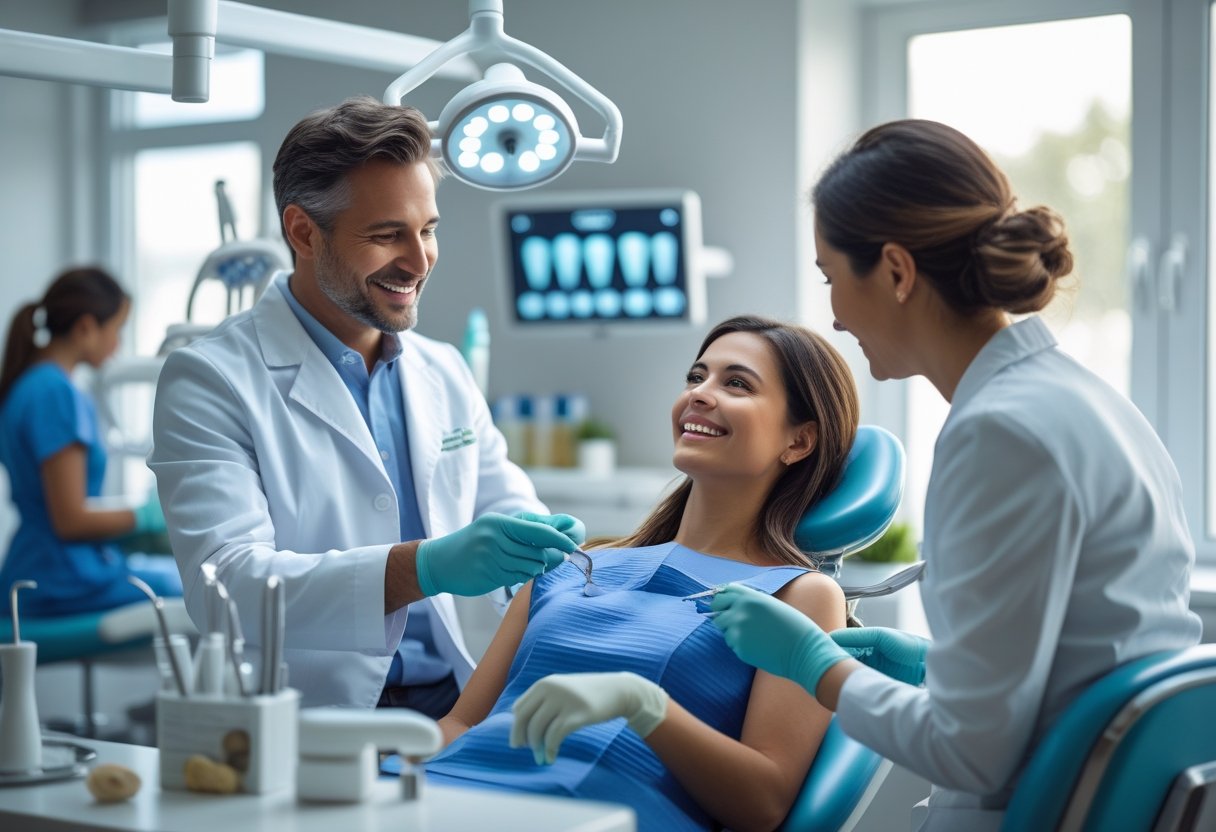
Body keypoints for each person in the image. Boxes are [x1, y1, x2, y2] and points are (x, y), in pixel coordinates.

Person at [710, 120, 1204, 832]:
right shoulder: (1090, 402)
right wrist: (930, 664)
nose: (834, 317)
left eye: (831, 278)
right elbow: (1092, 652)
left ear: (896, 271)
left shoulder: (998, 434)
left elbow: (972, 754)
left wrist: (810, 662)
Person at [148, 96, 582, 713]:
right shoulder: (210, 379)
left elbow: (498, 499)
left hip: (464, 694)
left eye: (428, 230)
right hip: (316, 712)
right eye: (386, 235)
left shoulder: (442, 369)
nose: (419, 261)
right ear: (303, 232)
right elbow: (227, 588)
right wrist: (421, 568)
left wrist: (533, 537)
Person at [420, 315, 860, 832]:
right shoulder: (570, 566)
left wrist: (647, 708)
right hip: (438, 802)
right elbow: (460, 725)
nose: (699, 394)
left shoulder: (798, 595)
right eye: (696, 377)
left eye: (737, 384)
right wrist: (369, 760)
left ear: (799, 441)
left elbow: (763, 804)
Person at [0, 267, 179, 617]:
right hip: (61, 580)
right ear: (85, 328)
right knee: (195, 589)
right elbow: (69, 520)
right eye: (116, 329)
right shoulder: (55, 393)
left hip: (39, 568)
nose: (118, 344)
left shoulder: (28, 384)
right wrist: (147, 517)